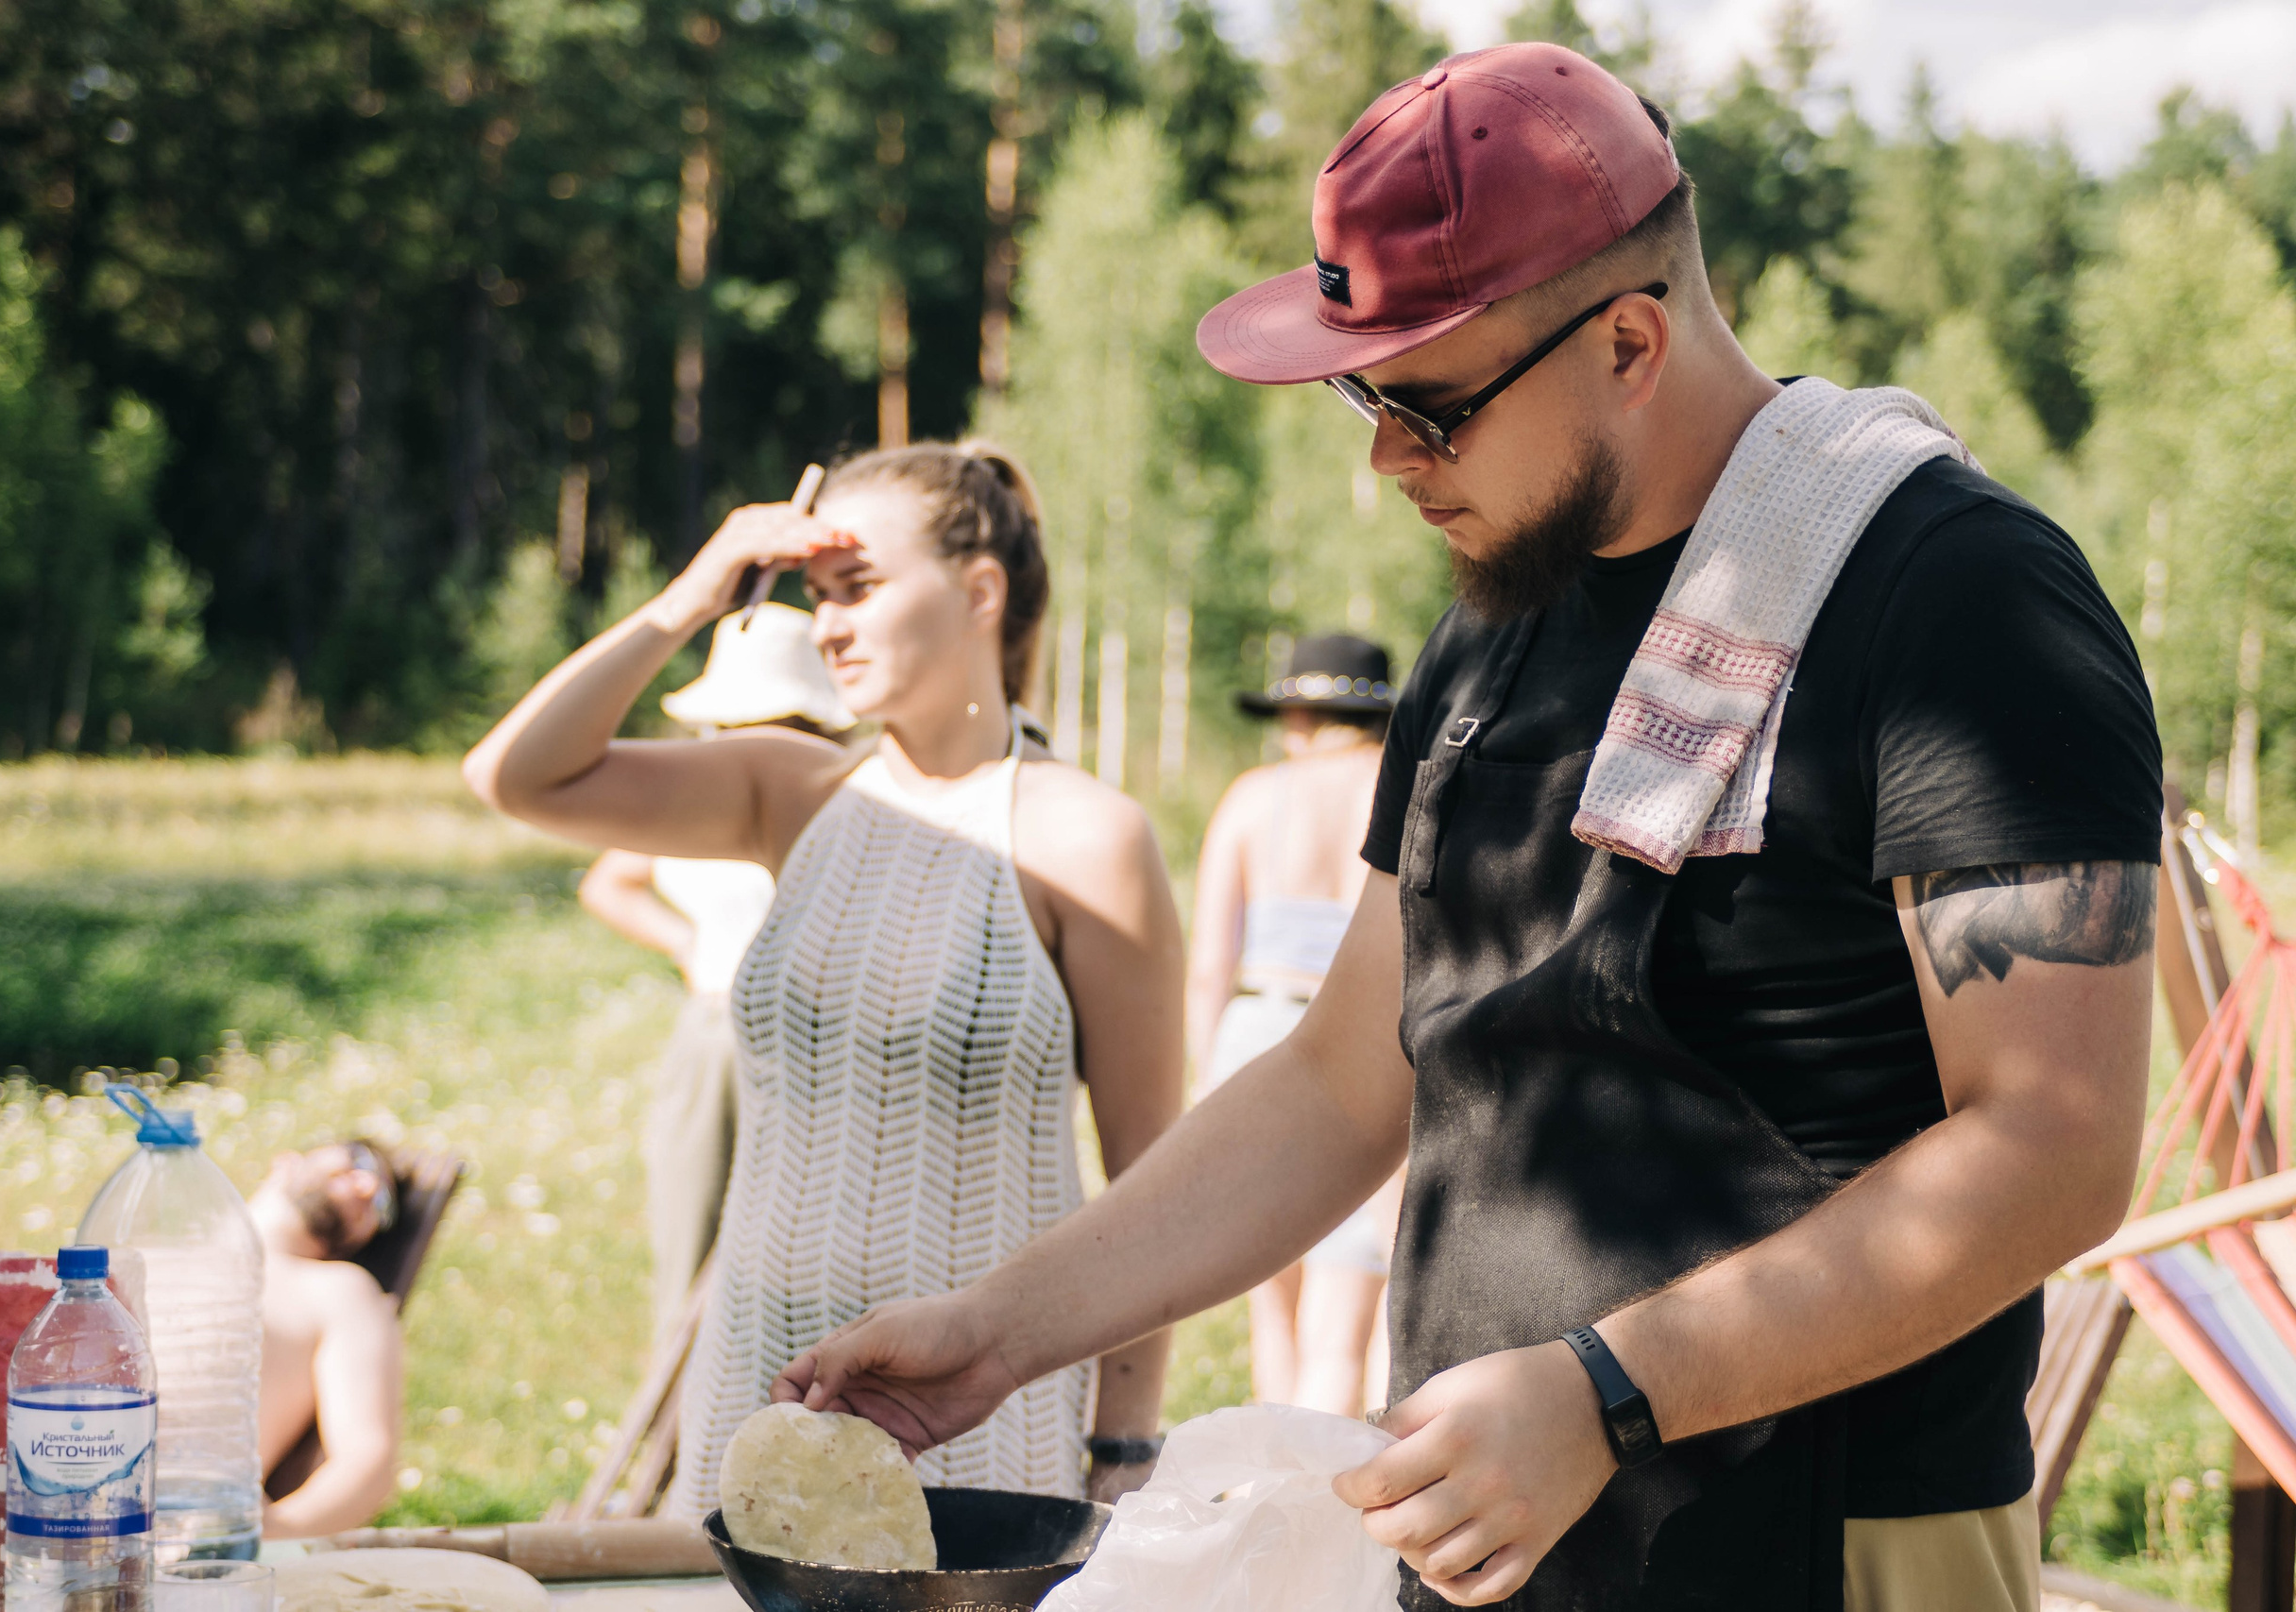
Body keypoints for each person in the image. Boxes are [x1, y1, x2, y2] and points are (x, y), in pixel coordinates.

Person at [774, 44, 2163, 1612]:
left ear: (1632, 338)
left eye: (1429, 406)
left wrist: (1606, 1390)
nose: (1382, 461)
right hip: (1496, 1517)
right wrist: (1007, 1325)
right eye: (1366, 397)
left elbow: (2054, 1147)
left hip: (1828, 1545)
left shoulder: (1961, 604)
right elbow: (1340, 1074)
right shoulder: (1501, 608)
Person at [462, 441, 1184, 1510]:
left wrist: (1120, 1448)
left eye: (859, 588)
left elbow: (1153, 1186)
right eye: (814, 596)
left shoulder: (1089, 838)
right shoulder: (787, 792)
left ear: (979, 590)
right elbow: (516, 777)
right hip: (762, 1387)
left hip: (973, 1413)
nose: (828, 625)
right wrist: (693, 597)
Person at [576, 602, 855, 1345]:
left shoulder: (847, 791)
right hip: (718, 1025)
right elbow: (608, 880)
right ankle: (680, 1432)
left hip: (829, 1036)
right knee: (692, 1232)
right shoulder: (694, 789)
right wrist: (689, 944)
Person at [1188, 634, 1401, 1416]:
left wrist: (1207, 1075)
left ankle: (1267, 1494)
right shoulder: (1396, 791)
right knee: (1346, 1320)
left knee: (1267, 1298)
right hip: (1357, 1041)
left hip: (1255, 1034)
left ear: (1303, 715)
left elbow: (1212, 959)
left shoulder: (1253, 796)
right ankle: (1338, 1505)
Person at [251, 1140, 404, 1539]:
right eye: (359, 1161)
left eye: (383, 1206)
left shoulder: (339, 1292)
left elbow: (367, 1462)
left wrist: (256, 1540)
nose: (368, 1188)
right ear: (287, 1160)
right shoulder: (154, 1240)